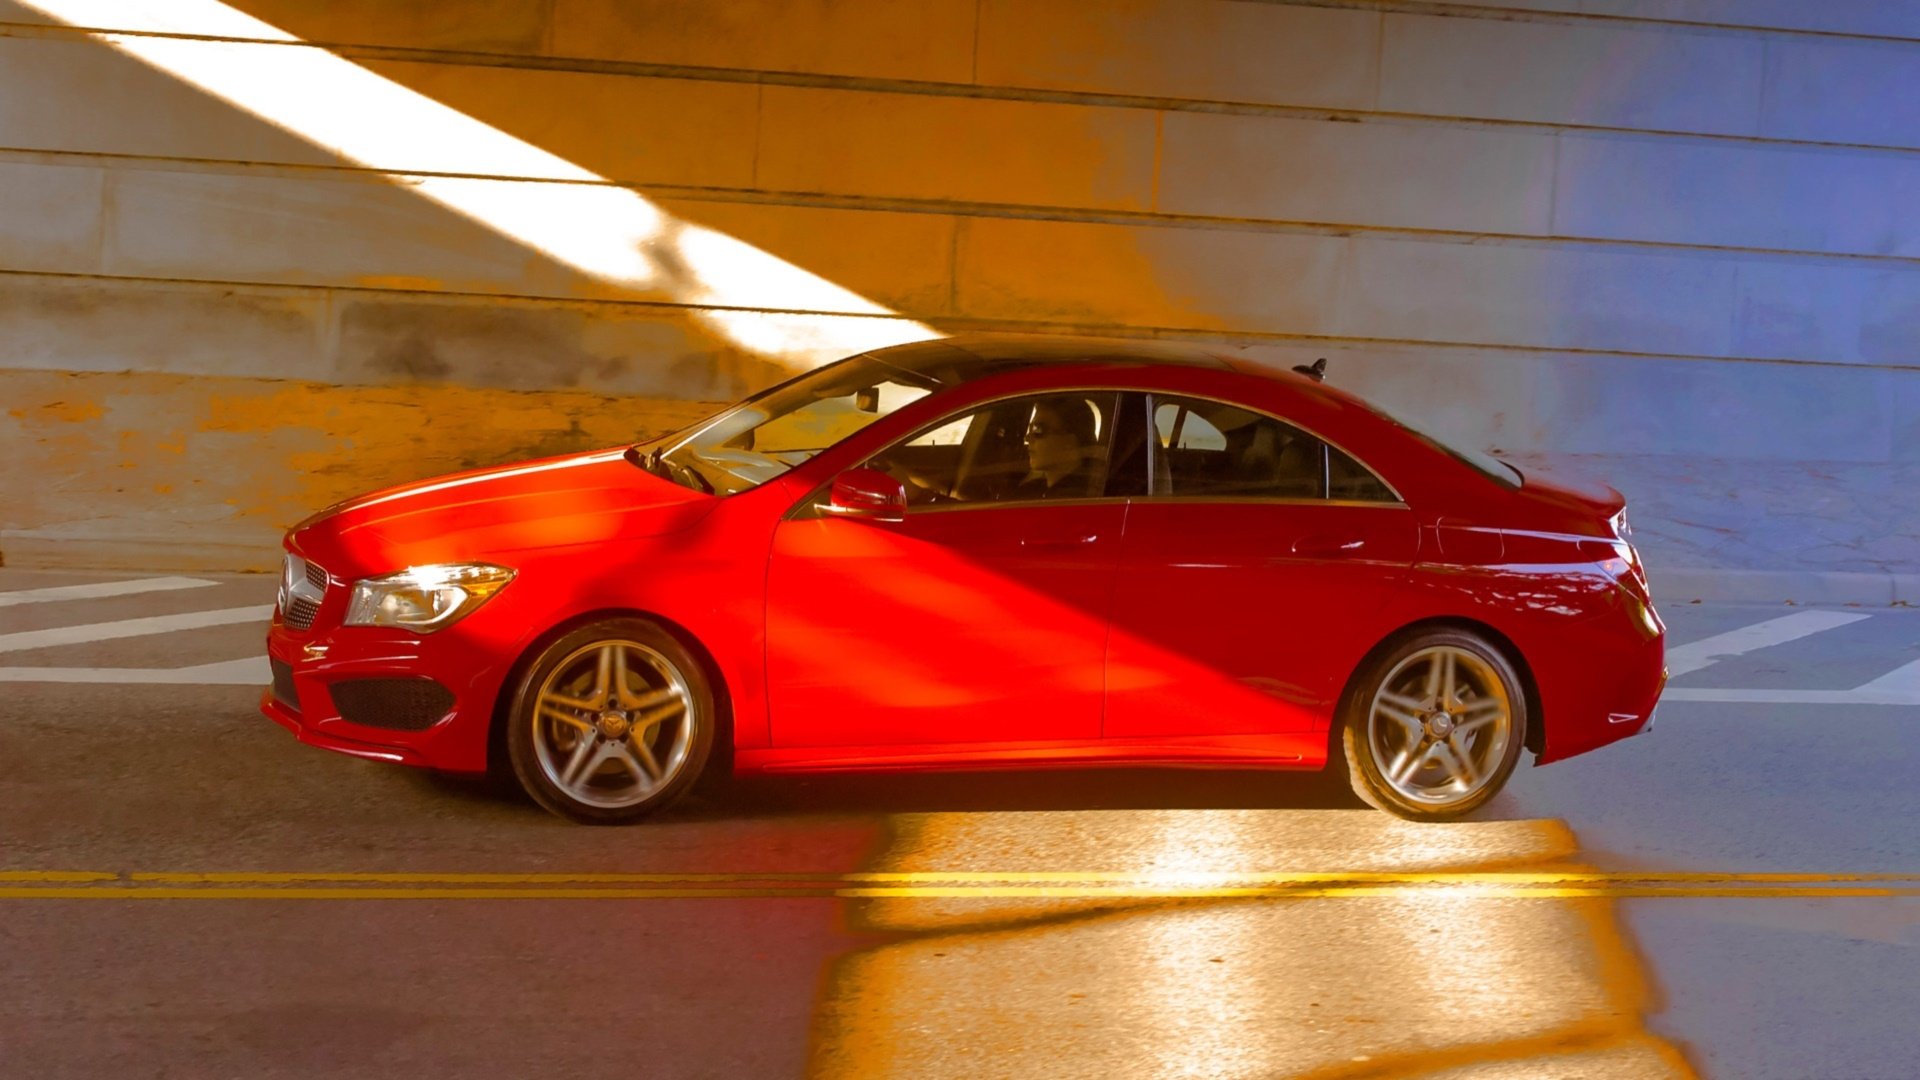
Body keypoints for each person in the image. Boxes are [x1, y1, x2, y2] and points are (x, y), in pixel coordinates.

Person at [1012, 397, 1100, 499]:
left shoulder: (1078, 498)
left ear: (1069, 442)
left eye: (1038, 430)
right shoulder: (1030, 490)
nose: (1027, 438)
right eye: (1030, 429)